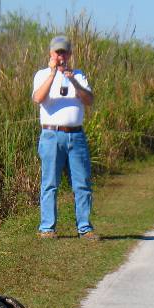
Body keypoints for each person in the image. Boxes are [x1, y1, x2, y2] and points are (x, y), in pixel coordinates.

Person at [32, 34, 98, 240]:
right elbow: (38, 98)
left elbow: (89, 100)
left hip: (76, 136)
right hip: (51, 135)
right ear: (51, 53)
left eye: (64, 52)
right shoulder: (42, 75)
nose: (61, 56)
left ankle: (85, 228)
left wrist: (73, 81)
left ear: (70, 54)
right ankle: (47, 228)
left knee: (82, 183)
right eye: (57, 52)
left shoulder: (78, 75)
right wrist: (53, 74)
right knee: (50, 183)